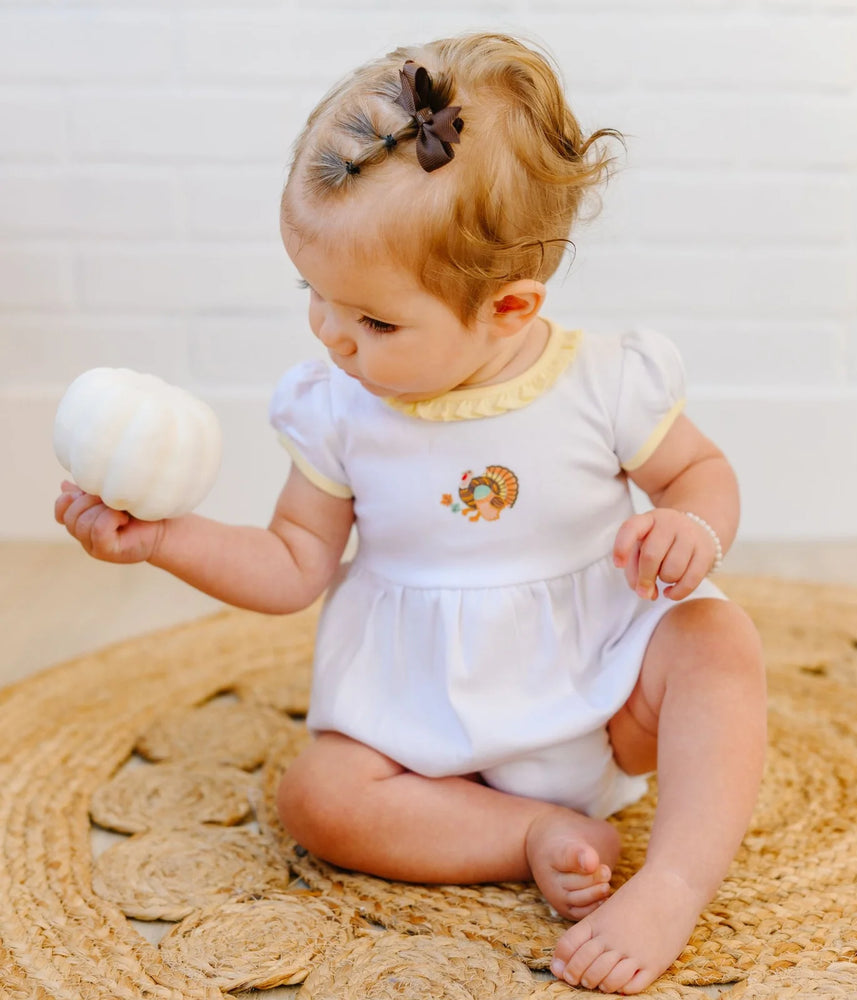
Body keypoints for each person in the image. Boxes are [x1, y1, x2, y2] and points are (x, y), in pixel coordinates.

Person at [55, 32, 766, 994]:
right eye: (314, 294)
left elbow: (702, 473)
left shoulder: (603, 382)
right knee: (318, 798)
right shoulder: (338, 406)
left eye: (376, 322)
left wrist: (694, 526)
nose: (333, 337)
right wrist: (165, 538)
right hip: (417, 715)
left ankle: (674, 880)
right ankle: (528, 833)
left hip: (604, 690)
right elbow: (293, 561)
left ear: (511, 308)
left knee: (719, 643)